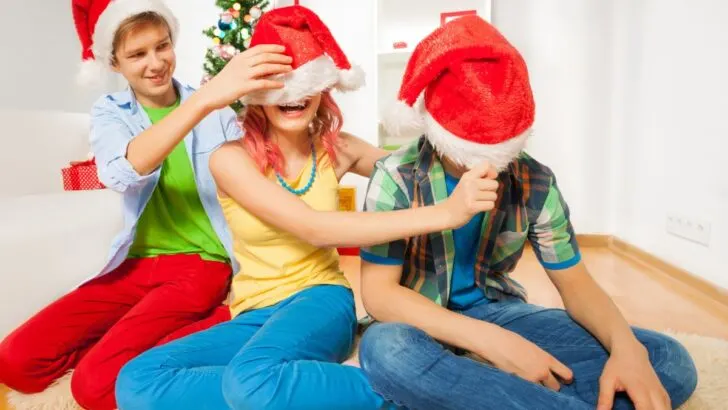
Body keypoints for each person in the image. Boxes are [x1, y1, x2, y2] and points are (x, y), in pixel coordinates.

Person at [114, 5, 499, 410]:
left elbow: (415, 171)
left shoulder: (340, 148)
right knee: (137, 381)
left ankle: (400, 394)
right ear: (257, 94)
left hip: (321, 299)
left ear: (323, 86)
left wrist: (463, 131)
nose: (293, 96)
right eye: (280, 85)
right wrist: (444, 214)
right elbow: (313, 226)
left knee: (252, 380)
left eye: (303, 84)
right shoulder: (229, 159)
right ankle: (300, 390)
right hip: (253, 310)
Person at [357, 15, 698, 410]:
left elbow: (576, 284)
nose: (483, 166)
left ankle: (482, 393)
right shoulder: (394, 177)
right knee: (386, 351)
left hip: (498, 311)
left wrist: (627, 351)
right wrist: (494, 344)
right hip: (418, 324)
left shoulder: (534, 181)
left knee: (667, 360)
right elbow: (380, 296)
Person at [0, 0, 293, 409]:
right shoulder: (111, 112)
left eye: (162, 46)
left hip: (201, 264)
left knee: (94, 388)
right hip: (134, 265)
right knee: (15, 361)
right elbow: (120, 172)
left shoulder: (218, 113)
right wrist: (203, 101)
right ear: (115, 63)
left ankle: (224, 319)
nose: (156, 63)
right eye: (138, 54)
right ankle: (125, 345)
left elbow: (254, 185)